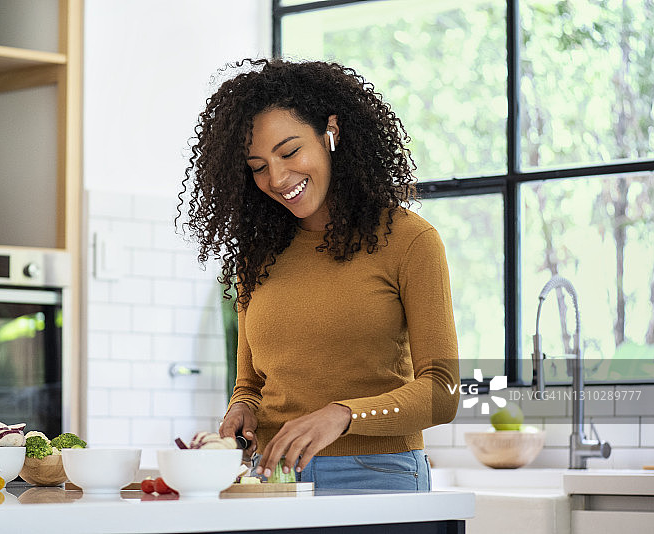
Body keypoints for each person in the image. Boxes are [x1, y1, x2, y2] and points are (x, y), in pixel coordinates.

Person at [177, 58, 459, 491]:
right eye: (257, 166)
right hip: (273, 480)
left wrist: (344, 415)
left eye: (289, 152)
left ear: (331, 132)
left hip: (377, 476)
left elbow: (443, 392)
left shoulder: (408, 239)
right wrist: (242, 412)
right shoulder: (259, 256)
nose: (277, 177)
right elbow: (250, 383)